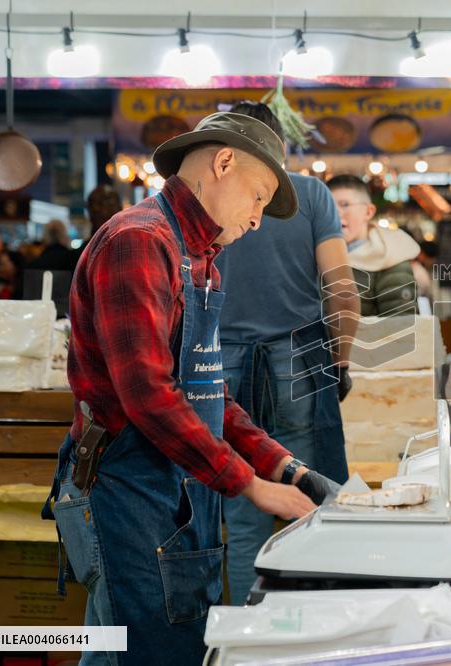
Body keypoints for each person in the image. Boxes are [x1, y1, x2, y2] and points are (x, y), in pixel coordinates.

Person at [40, 112, 340, 666]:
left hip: (178, 487)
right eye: (256, 198)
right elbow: (149, 396)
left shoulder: (202, 261)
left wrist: (288, 469)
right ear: (223, 162)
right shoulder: (137, 241)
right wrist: (249, 484)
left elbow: (206, 392)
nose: (256, 221)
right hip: (126, 489)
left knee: (128, 652)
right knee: (154, 654)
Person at [216, 100, 360, 605]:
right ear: (281, 147)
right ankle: (312, 624)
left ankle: (245, 635)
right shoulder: (312, 194)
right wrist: (341, 360)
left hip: (220, 367)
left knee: (243, 507)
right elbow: (342, 291)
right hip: (298, 361)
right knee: (311, 497)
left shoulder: (210, 199)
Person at [327, 175, 419, 316]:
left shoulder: (390, 255)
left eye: (344, 204)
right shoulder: (316, 256)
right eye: (327, 205)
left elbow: (401, 325)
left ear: (369, 212)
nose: (335, 212)